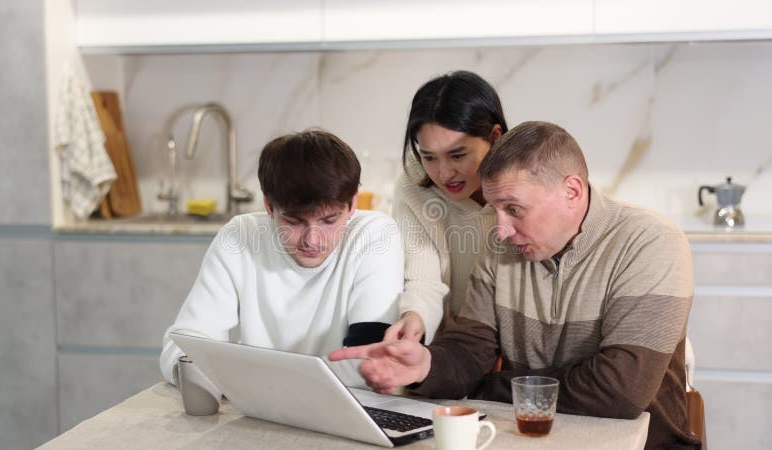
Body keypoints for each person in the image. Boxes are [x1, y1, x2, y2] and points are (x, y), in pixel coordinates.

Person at [331, 121, 699, 449]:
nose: (500, 228)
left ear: (571, 191)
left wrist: (493, 387)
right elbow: (468, 350)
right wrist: (426, 364)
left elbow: (620, 392)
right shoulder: (501, 247)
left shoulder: (652, 241)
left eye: (513, 208)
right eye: (495, 209)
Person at [160, 129, 403, 388]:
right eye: (294, 221)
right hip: (262, 407)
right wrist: (195, 368)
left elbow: (368, 360)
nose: (312, 239)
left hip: (341, 411)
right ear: (268, 207)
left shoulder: (376, 236)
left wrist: (243, 379)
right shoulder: (240, 236)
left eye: (329, 220)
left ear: (353, 205)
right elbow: (182, 346)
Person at [384, 70, 507, 345]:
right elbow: (422, 277)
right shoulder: (414, 186)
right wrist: (414, 319)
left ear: (495, 136)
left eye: (458, 155)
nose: (444, 173)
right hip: (448, 354)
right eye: (429, 157)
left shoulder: (524, 186)